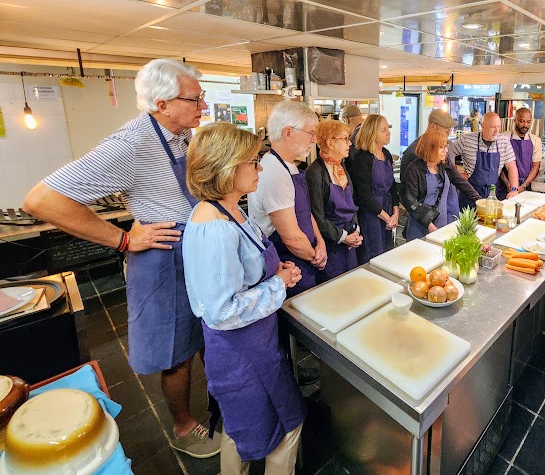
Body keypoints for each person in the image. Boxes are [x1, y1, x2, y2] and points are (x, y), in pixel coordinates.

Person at [22, 59, 220, 458]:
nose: (203, 106)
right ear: (162, 104)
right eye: (195, 99)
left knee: (210, 337)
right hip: (164, 258)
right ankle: (183, 427)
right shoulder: (131, 145)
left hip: (198, 250)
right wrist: (124, 239)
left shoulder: (182, 135)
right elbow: (41, 200)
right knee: (176, 353)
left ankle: (221, 404)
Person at [182, 123, 305, 475]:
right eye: (252, 162)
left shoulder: (230, 210)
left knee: (241, 429)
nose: (259, 168)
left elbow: (244, 269)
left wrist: (274, 270)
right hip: (242, 354)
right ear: (225, 168)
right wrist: (278, 284)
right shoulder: (214, 228)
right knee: (286, 427)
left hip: (256, 345)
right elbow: (222, 312)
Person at [248, 102, 326, 297]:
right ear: (288, 133)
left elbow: (305, 211)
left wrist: (320, 242)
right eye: (311, 133)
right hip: (290, 263)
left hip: (306, 255)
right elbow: (292, 239)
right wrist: (315, 256)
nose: (314, 139)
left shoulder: (289, 166)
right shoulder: (274, 172)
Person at [307, 120, 362, 282]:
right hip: (331, 244)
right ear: (330, 142)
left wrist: (355, 230)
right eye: (345, 139)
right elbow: (317, 216)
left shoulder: (341, 168)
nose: (349, 143)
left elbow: (352, 202)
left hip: (350, 240)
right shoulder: (314, 173)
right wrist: (343, 237)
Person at [401, 129, 480, 239]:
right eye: (442, 147)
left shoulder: (445, 164)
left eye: (446, 146)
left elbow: (462, 183)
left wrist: (479, 201)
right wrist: (429, 224)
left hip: (441, 220)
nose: (446, 150)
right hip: (419, 223)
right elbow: (410, 201)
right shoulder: (414, 169)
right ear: (430, 148)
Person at [350, 114, 399, 263]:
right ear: (371, 133)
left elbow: (392, 186)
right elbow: (364, 195)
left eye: (388, 129)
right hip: (371, 213)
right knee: (373, 255)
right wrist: (386, 217)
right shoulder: (362, 158)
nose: (388, 133)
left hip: (387, 209)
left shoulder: (386, 154)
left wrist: (395, 212)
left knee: (388, 253)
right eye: (383, 130)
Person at [449, 111, 519, 209]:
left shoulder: (504, 142)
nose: (496, 131)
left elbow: (511, 167)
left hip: (492, 195)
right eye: (493, 127)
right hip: (469, 194)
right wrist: (455, 172)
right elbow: (448, 152)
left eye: (498, 127)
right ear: (483, 126)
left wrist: (514, 189)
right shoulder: (466, 140)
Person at [497, 108, 543, 199]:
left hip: (526, 186)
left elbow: (535, 166)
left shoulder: (536, 140)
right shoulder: (503, 138)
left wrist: (524, 186)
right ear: (515, 120)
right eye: (522, 121)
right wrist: (508, 183)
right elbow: (498, 165)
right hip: (504, 186)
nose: (525, 125)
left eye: (528, 122)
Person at [399, 109, 456, 178]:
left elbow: (453, 176)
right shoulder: (414, 151)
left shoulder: (449, 146)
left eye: (450, 129)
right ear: (433, 127)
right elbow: (407, 181)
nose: (449, 132)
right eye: (446, 129)